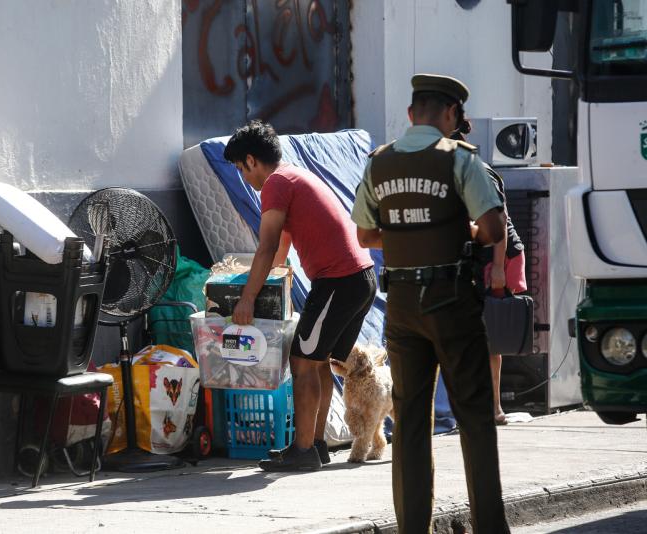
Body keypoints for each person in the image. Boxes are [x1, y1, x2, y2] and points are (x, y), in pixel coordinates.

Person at [350, 74, 511, 533]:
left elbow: (365, 234)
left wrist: (406, 234)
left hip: (400, 306)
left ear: (409, 115)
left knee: (411, 422)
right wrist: (459, 231)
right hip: (451, 302)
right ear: (449, 115)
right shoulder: (460, 160)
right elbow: (494, 228)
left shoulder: (379, 163)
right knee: (475, 417)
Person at [224, 120, 377, 472]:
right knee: (317, 359)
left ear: (251, 160)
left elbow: (265, 247)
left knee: (303, 360)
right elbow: (281, 249)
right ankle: (315, 445)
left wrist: (247, 299)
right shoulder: (294, 175)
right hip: (358, 277)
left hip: (338, 280)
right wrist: (270, 287)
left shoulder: (276, 183)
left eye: (240, 169)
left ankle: (303, 450)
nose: (244, 178)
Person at [451, 126, 527, 426]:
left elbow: (499, 220)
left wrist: (497, 267)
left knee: (490, 334)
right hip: (478, 255)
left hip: (499, 256)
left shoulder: (477, 170)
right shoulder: (455, 169)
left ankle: (494, 408)